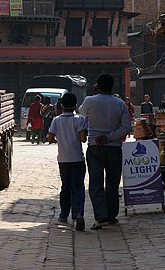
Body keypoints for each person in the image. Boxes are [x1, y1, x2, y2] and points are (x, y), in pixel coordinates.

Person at [79, 74, 131, 229]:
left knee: (96, 183)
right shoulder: (120, 103)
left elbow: (81, 112)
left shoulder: (90, 100)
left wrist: (94, 94)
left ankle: (101, 216)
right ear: (112, 87)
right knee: (113, 183)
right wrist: (109, 138)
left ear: (97, 86)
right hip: (114, 148)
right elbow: (126, 127)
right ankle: (111, 215)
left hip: (95, 147)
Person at [48, 93, 87, 231]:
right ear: (75, 105)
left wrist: (60, 141)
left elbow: (50, 138)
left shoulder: (56, 120)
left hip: (63, 159)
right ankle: (78, 213)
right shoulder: (79, 120)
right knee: (78, 187)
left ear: (62, 105)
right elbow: (83, 139)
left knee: (65, 186)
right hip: (77, 158)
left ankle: (64, 214)